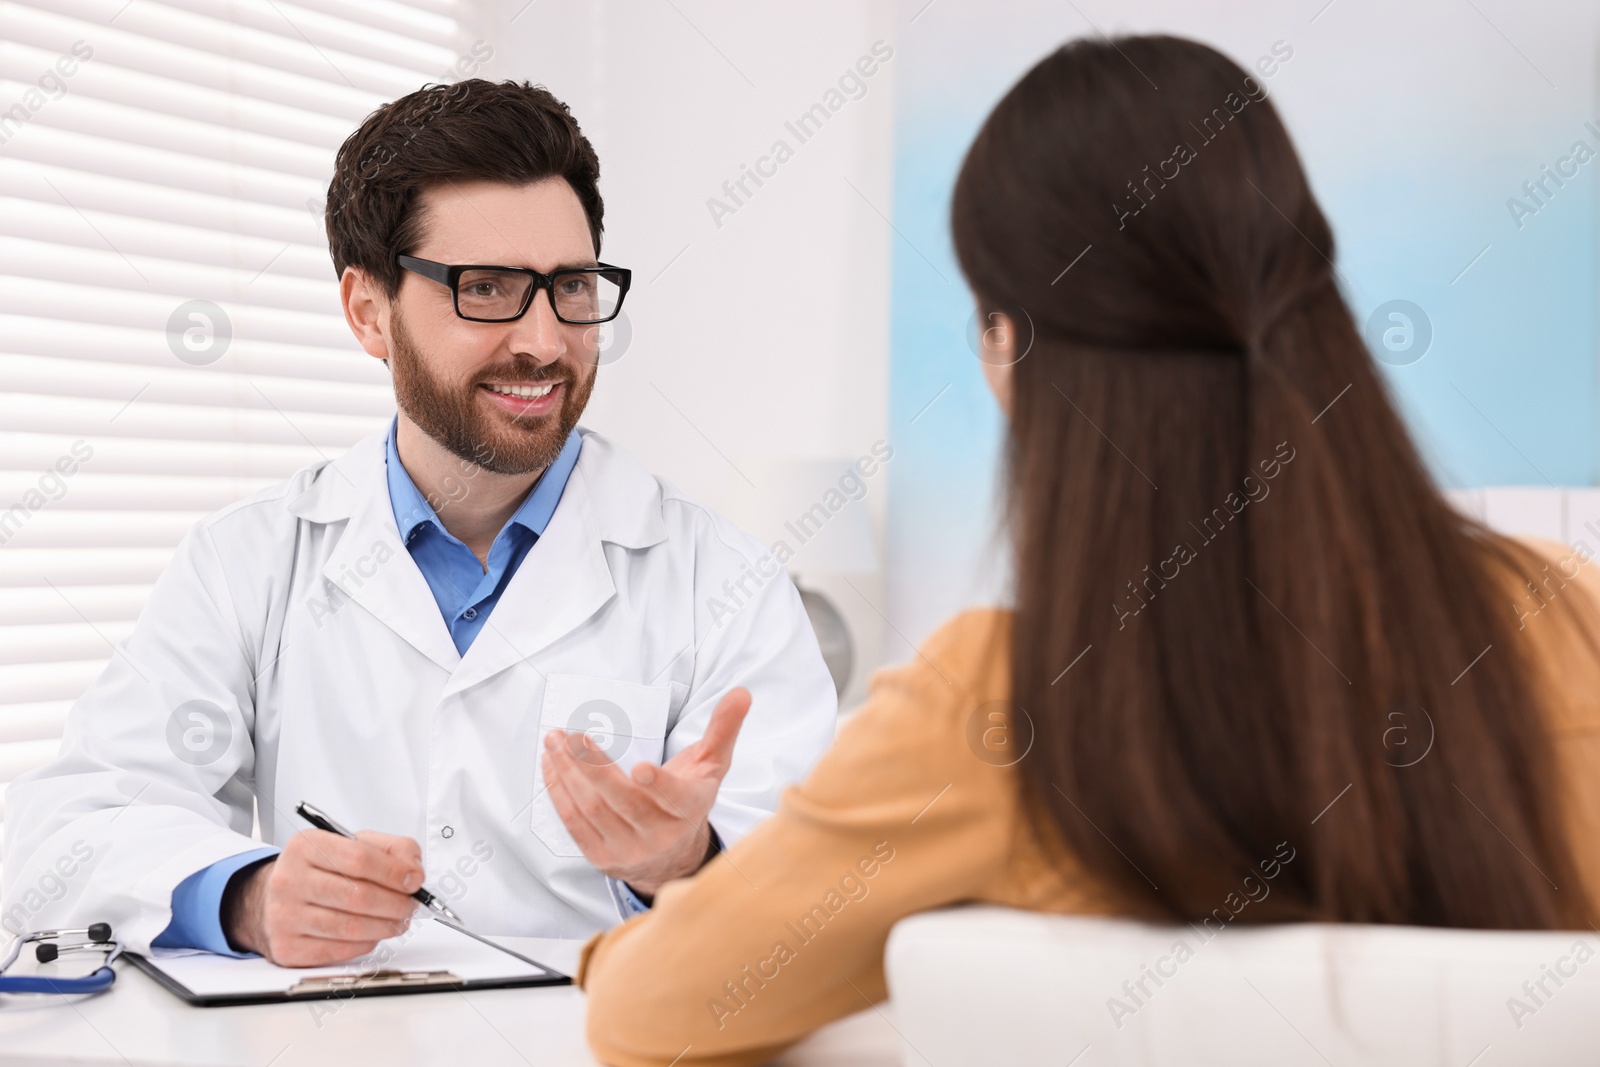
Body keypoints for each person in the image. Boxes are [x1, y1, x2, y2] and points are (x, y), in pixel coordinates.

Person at [575, 35, 1600, 1065]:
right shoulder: (1566, 612)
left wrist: (641, 934)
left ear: (1009, 343)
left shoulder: (993, 703)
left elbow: (650, 1011)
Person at [0, 80, 837, 965]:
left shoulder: (722, 582)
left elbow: (817, 903)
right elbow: (64, 830)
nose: (546, 342)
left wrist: (684, 864)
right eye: (487, 289)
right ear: (369, 312)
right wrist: (248, 897)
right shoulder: (247, 561)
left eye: (573, 287)